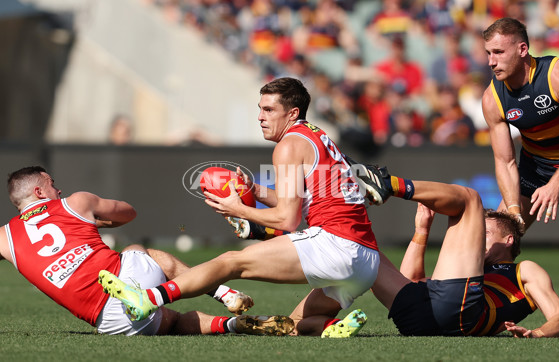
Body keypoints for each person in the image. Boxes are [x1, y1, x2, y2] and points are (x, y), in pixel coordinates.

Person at [99, 77, 389, 337]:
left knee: (229, 262)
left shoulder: (288, 145)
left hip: (337, 245)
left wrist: (238, 209)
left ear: (293, 113)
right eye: (260, 109)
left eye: (269, 110)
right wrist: (256, 190)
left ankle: (150, 299)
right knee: (292, 325)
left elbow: (287, 219)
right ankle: (329, 328)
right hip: (367, 262)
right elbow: (301, 201)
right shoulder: (316, 136)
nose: (260, 117)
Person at [0, 166, 293, 336]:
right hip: (126, 278)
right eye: (52, 184)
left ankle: (233, 326)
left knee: (168, 322)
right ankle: (225, 294)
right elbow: (128, 213)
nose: (57, 189)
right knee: (143, 250)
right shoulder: (74, 202)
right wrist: (96, 221)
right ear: (39, 190)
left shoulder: (0, 239)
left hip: (110, 323)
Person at [296, 164, 559, 337]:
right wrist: (421, 231)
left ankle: (387, 183)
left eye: (483, 233)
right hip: (416, 321)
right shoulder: (469, 273)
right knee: (358, 253)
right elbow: (409, 283)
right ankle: (295, 323)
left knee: (469, 198)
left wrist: (539, 333)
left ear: (508, 240)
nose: (474, 238)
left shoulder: (524, 270)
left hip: (462, 314)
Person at [481, 17, 559, 230]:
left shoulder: (557, 75)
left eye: (498, 52)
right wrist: (514, 211)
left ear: (522, 49)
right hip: (538, 167)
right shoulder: (492, 99)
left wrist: (555, 185)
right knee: (498, 236)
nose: (491, 62)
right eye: (488, 53)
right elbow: (505, 162)